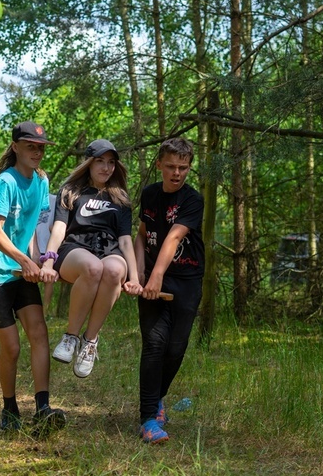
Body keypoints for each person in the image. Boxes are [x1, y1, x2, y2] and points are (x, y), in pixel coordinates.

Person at [0, 120, 65, 433]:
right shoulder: (6, 182)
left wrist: (38, 262)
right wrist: (24, 260)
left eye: (40, 148)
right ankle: (9, 409)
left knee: (39, 333)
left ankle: (43, 408)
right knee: (11, 347)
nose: (37, 152)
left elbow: (29, 231)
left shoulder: (41, 182)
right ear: (16, 148)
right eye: (30, 147)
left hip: (21, 271)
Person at [41, 139, 143, 378]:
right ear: (88, 163)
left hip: (109, 249)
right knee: (92, 267)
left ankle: (89, 341)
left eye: (111, 163)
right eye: (100, 161)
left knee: (116, 271)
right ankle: (71, 337)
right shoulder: (71, 191)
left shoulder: (121, 198)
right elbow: (58, 229)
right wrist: (48, 260)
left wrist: (135, 278)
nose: (106, 168)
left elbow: (125, 240)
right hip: (75, 249)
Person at [133, 137, 205, 444]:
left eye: (184, 168)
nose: (177, 173)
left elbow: (174, 237)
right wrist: (138, 273)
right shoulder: (149, 194)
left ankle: (158, 397)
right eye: (172, 166)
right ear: (160, 164)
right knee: (154, 345)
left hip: (186, 279)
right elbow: (142, 235)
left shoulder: (193, 200)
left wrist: (157, 275)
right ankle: (148, 417)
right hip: (152, 280)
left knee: (176, 347)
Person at [33, 192, 57, 315]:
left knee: (49, 279)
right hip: (33, 246)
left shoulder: (55, 200)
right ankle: (34, 309)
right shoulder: (31, 199)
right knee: (32, 277)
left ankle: (45, 310)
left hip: (49, 246)